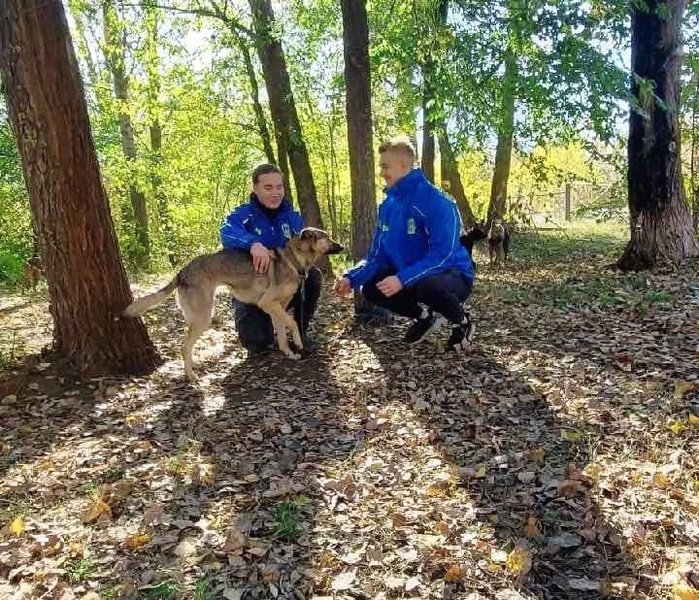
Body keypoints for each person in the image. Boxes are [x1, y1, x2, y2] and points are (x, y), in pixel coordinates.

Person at [334, 136, 475, 351]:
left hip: (453, 276)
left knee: (428, 286)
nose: (381, 172)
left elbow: (443, 255)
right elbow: (377, 257)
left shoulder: (437, 202)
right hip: (411, 277)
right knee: (371, 287)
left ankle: (463, 322)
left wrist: (402, 278)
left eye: (385, 166)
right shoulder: (388, 207)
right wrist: (350, 278)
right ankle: (424, 317)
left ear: (403, 165)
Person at [220, 163, 321, 354]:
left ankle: (300, 332)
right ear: (255, 188)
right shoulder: (243, 214)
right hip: (253, 287)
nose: (275, 193)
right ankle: (264, 327)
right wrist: (253, 244)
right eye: (268, 187)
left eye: (279, 187)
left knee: (312, 276)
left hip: (282, 285)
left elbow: (304, 247)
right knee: (258, 344)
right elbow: (226, 231)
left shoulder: (291, 217)